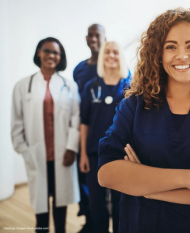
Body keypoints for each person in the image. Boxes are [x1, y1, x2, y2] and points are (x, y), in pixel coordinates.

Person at [97, 8, 190, 233]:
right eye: (171, 46)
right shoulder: (134, 107)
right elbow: (107, 173)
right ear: (157, 52)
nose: (182, 55)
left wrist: (147, 187)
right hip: (144, 226)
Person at [11, 37, 80, 233]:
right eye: (47, 51)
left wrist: (71, 148)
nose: (51, 55)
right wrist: (24, 151)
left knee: (61, 205)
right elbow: (16, 122)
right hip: (36, 155)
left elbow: (76, 118)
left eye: (56, 52)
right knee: (40, 207)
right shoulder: (23, 86)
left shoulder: (69, 85)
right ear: (39, 53)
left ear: (61, 57)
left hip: (62, 156)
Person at [79, 41, 131, 233]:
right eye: (107, 52)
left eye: (115, 52)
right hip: (94, 155)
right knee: (97, 205)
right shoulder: (90, 87)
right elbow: (84, 122)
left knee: (120, 205)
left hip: (121, 156)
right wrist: (83, 153)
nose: (111, 55)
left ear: (121, 57)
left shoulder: (130, 87)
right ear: (102, 57)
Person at [73, 24, 106, 233]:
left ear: (105, 38)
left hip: (107, 136)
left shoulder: (113, 66)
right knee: (84, 179)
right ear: (86, 38)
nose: (93, 38)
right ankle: (90, 220)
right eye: (90, 35)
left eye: (98, 35)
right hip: (86, 131)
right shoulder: (79, 69)